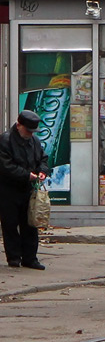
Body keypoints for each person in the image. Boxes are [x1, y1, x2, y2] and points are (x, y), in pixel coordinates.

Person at [0, 110, 50, 270]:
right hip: (8, 189)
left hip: (28, 189)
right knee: (10, 224)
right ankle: (14, 257)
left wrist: (42, 171)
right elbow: (5, 166)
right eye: (28, 130)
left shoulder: (34, 141)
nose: (30, 134)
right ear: (19, 125)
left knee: (30, 224)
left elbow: (43, 159)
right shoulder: (5, 140)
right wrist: (26, 175)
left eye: (32, 131)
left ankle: (30, 258)